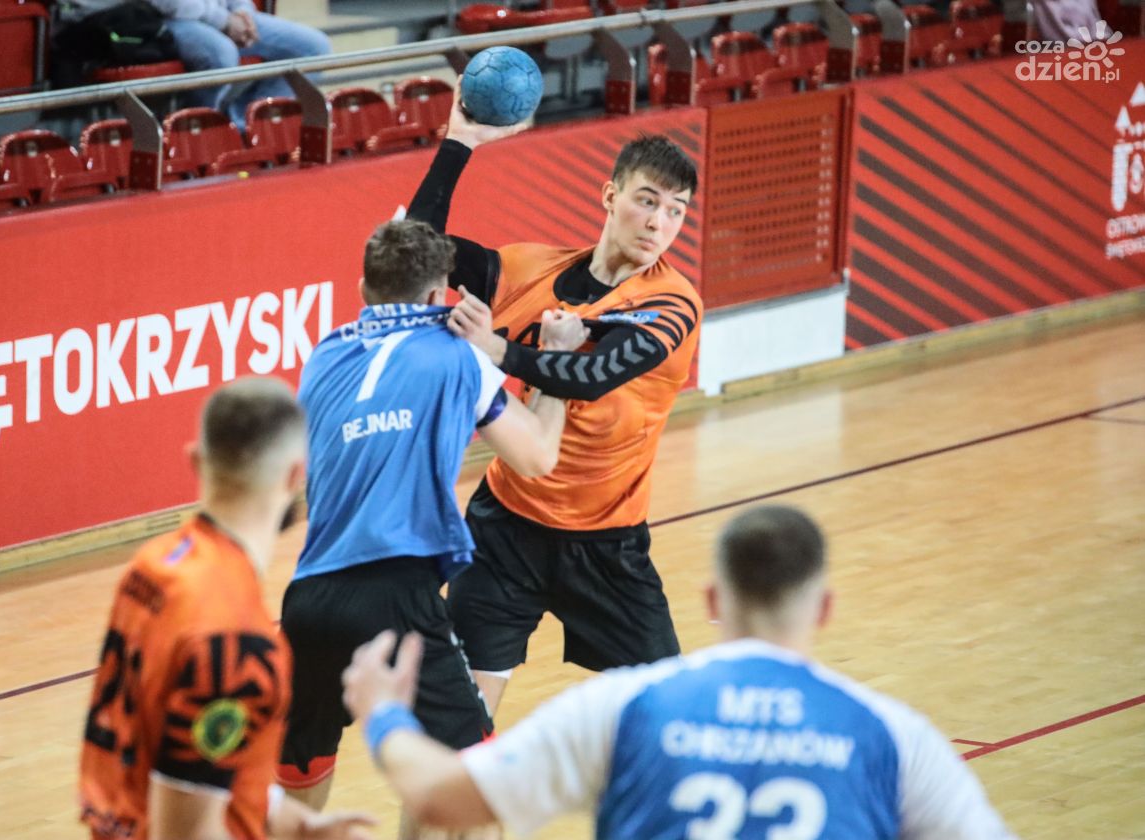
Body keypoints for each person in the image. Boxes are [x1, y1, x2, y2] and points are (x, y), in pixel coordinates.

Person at [342, 505, 1019, 839]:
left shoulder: (625, 707)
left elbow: (439, 797)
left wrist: (384, 715)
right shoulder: (894, 735)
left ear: (713, 600)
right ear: (825, 609)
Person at [275, 219, 587, 833]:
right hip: (394, 596)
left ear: (363, 289)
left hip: (307, 599)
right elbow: (537, 457)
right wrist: (553, 360)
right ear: (439, 293)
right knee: (473, 787)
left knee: (299, 767)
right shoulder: (457, 355)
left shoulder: (325, 355)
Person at [408, 98, 703, 715]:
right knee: (458, 719)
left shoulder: (671, 304)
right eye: (647, 200)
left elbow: (591, 377)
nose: (659, 223)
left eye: (676, 210)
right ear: (610, 196)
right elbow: (416, 252)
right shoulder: (527, 268)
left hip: (606, 545)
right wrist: (459, 142)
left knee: (669, 718)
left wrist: (494, 348)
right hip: (503, 530)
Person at [78, 377, 374, 840]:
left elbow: (190, 761)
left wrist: (295, 822)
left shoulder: (151, 567)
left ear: (196, 460)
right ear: (296, 476)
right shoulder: (236, 643)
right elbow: (184, 833)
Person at [58, 0, 329, 127]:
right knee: (220, 54)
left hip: (218, 13)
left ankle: (240, 127)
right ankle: (193, 130)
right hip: (143, 15)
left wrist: (242, 12)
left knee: (312, 47)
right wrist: (225, 21)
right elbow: (170, 3)